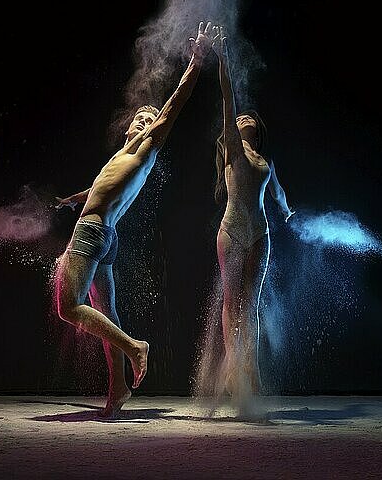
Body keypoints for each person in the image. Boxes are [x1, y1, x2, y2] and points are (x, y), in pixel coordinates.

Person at [54, 21, 216, 417]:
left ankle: (134, 347)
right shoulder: (121, 157)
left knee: (67, 307)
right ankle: (119, 387)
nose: (145, 122)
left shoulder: (144, 148)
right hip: (104, 234)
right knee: (106, 313)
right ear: (127, 125)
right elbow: (98, 189)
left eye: (150, 120)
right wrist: (73, 199)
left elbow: (173, 106)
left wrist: (195, 62)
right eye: (139, 118)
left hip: (93, 234)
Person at [212, 26, 294, 404]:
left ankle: (253, 375)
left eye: (248, 119)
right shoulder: (232, 148)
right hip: (231, 230)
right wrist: (223, 58)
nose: (242, 118)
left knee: (252, 304)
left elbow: (277, 192)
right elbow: (228, 99)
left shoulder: (265, 160)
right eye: (237, 119)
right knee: (232, 303)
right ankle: (232, 373)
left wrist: (289, 212)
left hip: (260, 233)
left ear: (256, 131)